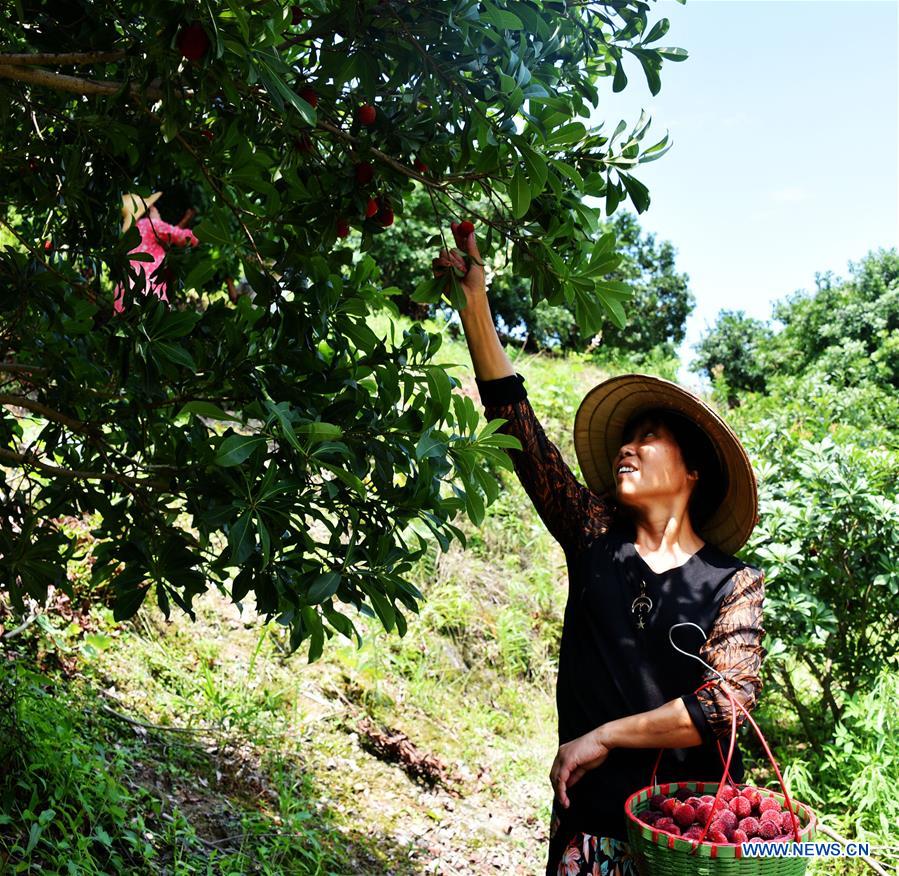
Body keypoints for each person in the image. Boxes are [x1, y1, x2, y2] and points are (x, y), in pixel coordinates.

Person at [433, 224, 766, 876]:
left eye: (647, 437)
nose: (627, 448)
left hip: (686, 839)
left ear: (692, 471)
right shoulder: (593, 534)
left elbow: (723, 707)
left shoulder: (733, 582)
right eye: (625, 438)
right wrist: (475, 303)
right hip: (589, 832)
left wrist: (603, 736)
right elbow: (520, 434)